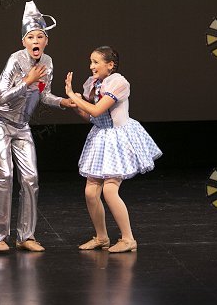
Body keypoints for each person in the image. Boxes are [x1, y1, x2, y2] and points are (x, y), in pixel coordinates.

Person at [0, 0, 76, 253]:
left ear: (46, 41)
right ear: (24, 41)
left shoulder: (48, 61)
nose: (35, 41)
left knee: (31, 178)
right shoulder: (15, 60)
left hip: (21, 125)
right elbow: (2, 96)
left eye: (40, 37)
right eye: (31, 37)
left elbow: (44, 94)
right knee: (5, 175)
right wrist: (27, 80)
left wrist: (63, 102)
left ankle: (26, 236)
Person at [64, 46, 162, 253]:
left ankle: (128, 239)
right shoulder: (94, 84)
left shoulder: (119, 83)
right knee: (91, 192)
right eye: (90, 62)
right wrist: (76, 106)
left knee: (109, 190)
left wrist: (73, 95)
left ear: (110, 65)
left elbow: (97, 109)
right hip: (101, 138)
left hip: (118, 138)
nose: (91, 66)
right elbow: (92, 117)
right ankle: (101, 237)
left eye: (96, 62)